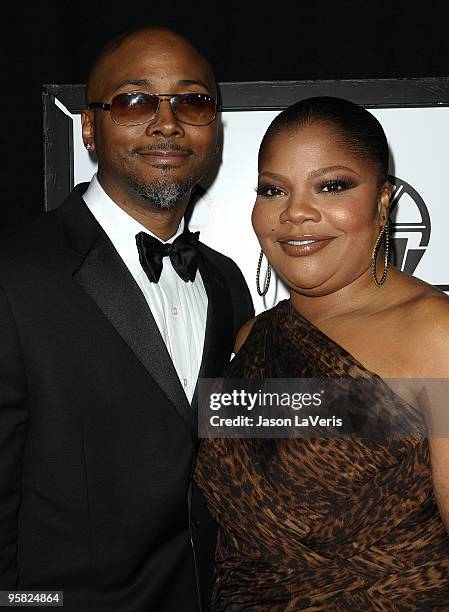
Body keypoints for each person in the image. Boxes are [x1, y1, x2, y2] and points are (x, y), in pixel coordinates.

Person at [0, 27, 253, 612]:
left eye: (192, 101)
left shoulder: (226, 281)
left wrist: (420, 398)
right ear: (89, 127)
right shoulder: (13, 276)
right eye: (136, 100)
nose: (168, 122)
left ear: (214, 127)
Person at [195, 96, 449, 609]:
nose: (295, 213)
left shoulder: (435, 333)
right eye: (273, 190)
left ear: (383, 203)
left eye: (331, 185)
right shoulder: (250, 340)